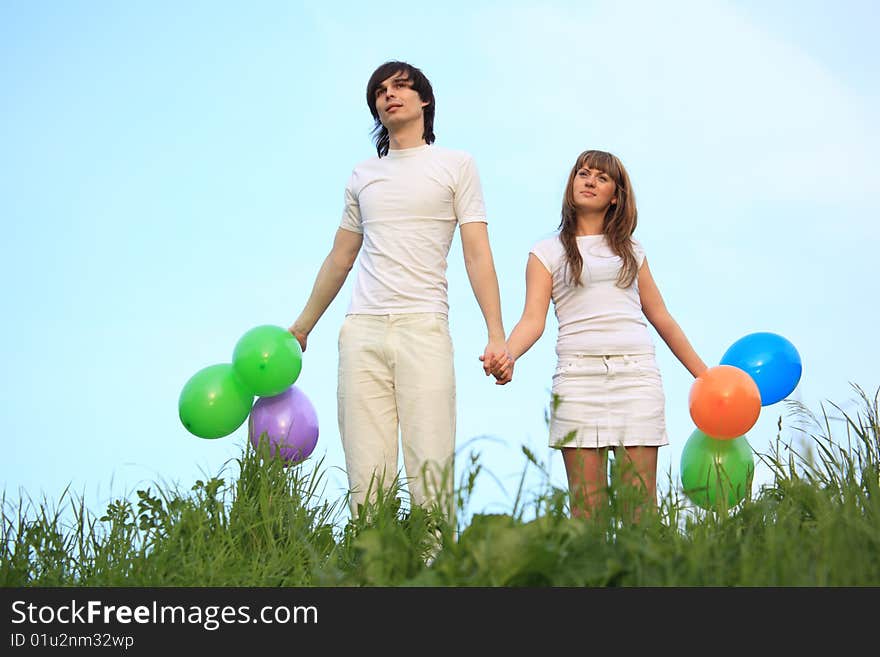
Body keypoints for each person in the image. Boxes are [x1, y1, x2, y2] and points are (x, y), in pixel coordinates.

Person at [288, 61, 509, 522]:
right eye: (380, 91)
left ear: (424, 100)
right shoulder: (363, 175)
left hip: (423, 328)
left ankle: (436, 573)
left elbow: (477, 254)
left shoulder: (456, 165)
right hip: (361, 331)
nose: (389, 94)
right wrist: (303, 326)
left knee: (431, 471)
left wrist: (496, 334)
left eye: (400, 86)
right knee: (368, 482)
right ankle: (373, 570)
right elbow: (340, 258)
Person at [487, 149, 707, 520]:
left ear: (616, 195)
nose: (589, 181)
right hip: (577, 379)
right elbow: (532, 320)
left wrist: (705, 376)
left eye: (601, 177)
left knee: (639, 509)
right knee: (587, 513)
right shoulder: (546, 251)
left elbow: (661, 317)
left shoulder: (632, 251)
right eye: (583, 174)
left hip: (636, 376)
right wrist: (507, 354)